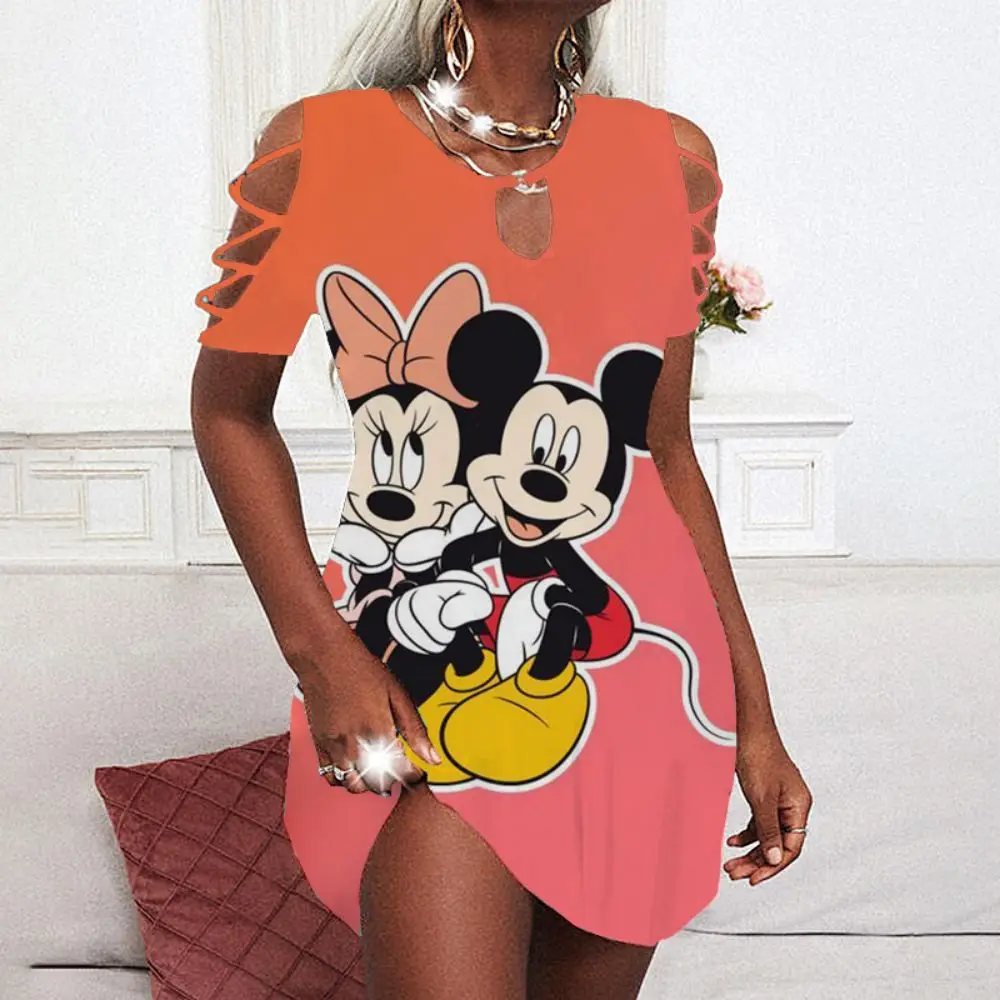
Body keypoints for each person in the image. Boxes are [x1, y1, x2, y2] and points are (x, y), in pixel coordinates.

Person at [190, 2, 813, 996]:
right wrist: (322, 654)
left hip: (647, 693)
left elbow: (663, 454)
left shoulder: (673, 163)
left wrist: (755, 720)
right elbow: (228, 412)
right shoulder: (321, 148)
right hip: (420, 672)